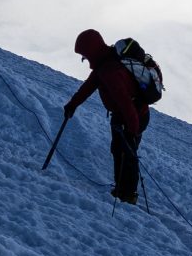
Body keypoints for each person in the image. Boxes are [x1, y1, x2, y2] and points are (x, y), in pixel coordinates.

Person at [63, 28, 150, 203]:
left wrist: (132, 129)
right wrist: (72, 104)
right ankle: (122, 189)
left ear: (91, 51)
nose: (85, 59)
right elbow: (88, 87)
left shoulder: (109, 71)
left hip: (134, 116)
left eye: (84, 55)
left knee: (127, 153)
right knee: (119, 150)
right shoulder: (104, 64)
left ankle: (127, 194)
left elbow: (125, 102)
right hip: (126, 115)